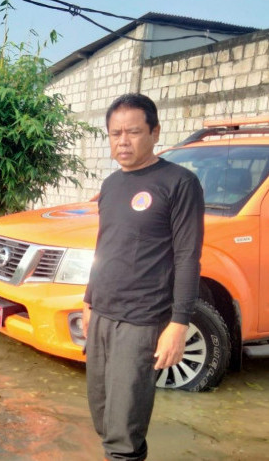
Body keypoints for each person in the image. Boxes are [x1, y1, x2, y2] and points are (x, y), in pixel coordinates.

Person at [82, 93, 204, 460]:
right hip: (101, 314)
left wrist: (178, 324)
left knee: (124, 434)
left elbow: (188, 257)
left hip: (140, 320)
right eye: (115, 133)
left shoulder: (178, 183)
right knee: (103, 417)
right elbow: (105, 246)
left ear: (154, 132)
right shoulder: (111, 185)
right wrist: (88, 299)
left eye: (133, 132)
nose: (123, 141)